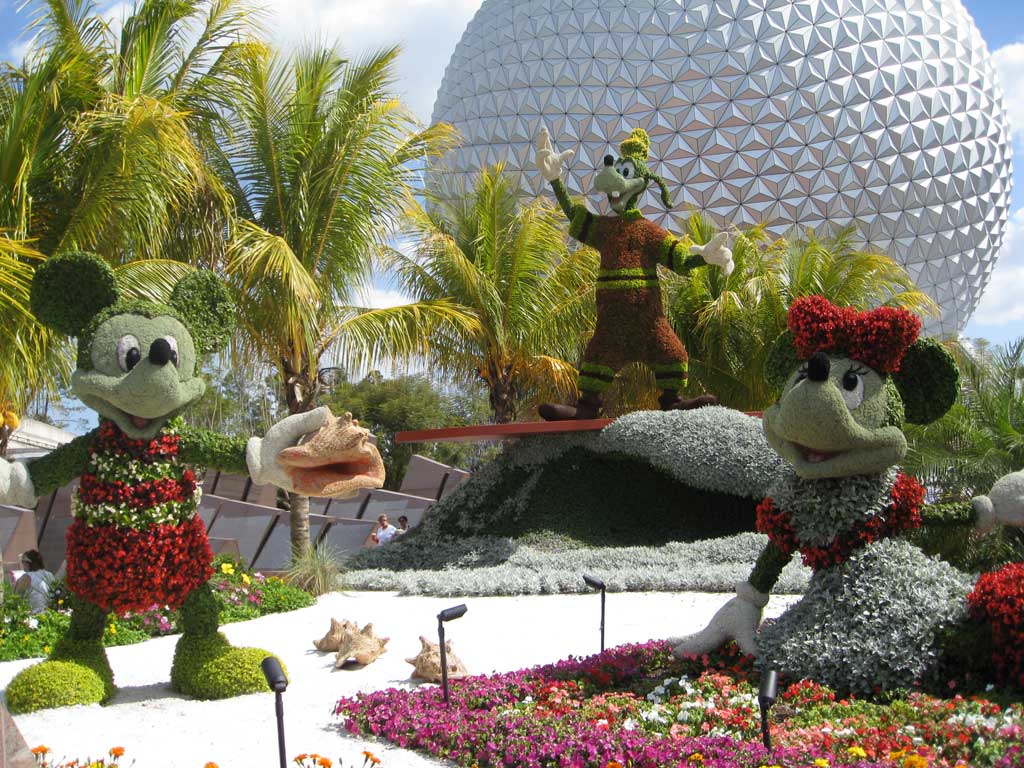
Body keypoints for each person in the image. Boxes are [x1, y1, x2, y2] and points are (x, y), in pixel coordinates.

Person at [14, 550, 55, 615]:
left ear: (28, 563)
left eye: (22, 562)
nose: (22, 564)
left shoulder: (26, 577)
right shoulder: (50, 575)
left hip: (32, 615)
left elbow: (15, 598)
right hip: (50, 613)